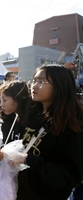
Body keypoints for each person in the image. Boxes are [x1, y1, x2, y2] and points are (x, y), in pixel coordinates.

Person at [14, 64, 83, 200]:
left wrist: (29, 160)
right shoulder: (35, 115)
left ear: (59, 86)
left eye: (41, 82)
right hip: (22, 191)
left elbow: (71, 176)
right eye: (33, 80)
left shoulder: (71, 125)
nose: (33, 86)